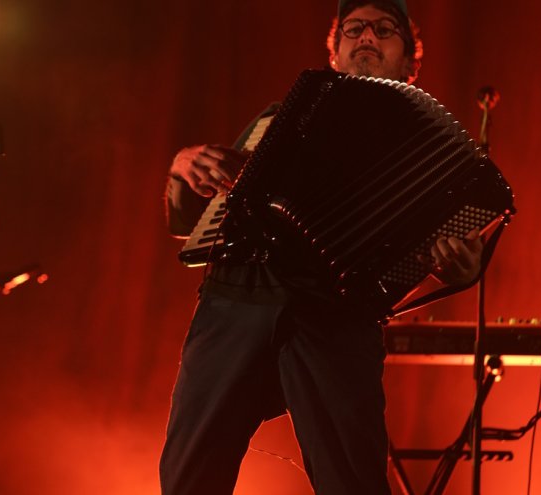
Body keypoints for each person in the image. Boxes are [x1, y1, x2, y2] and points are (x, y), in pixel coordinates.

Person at [160, 1, 483, 494]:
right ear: (334, 53)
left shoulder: (432, 148)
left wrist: (462, 268)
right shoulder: (279, 119)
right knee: (190, 478)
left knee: (352, 484)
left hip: (337, 316)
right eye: (353, 29)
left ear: (411, 62)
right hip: (238, 297)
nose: (367, 35)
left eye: (385, 29)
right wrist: (183, 167)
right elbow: (191, 223)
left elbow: (447, 257)